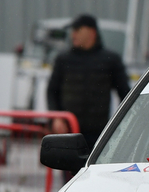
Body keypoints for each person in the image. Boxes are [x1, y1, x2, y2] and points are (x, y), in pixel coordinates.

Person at [46, 14, 131, 148]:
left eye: (78, 30)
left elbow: (125, 95)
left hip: (98, 134)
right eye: (73, 30)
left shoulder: (110, 60)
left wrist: (124, 124)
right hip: (69, 131)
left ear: (92, 32)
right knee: (70, 168)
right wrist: (56, 118)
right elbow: (52, 91)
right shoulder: (64, 60)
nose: (73, 34)